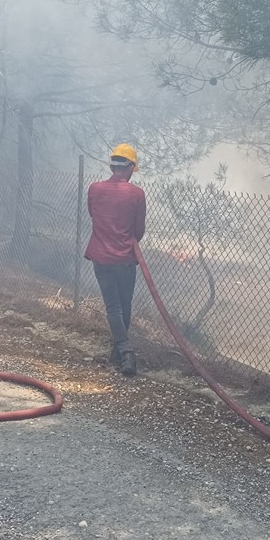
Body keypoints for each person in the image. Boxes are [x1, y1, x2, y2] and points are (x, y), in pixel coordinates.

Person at [85, 143, 147, 376]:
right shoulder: (137, 194)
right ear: (130, 167)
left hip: (101, 256)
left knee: (113, 307)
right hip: (125, 259)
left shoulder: (94, 189)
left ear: (112, 166)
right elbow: (138, 231)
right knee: (124, 305)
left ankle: (118, 351)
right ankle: (126, 350)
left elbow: (94, 215)